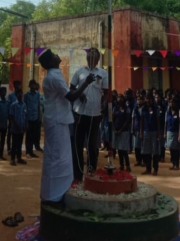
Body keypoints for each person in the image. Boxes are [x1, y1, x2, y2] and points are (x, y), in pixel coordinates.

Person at [38, 48, 96, 206]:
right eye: (55, 55)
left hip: (58, 120)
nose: (58, 55)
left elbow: (66, 94)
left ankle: (60, 191)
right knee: (57, 158)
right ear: (51, 62)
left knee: (61, 157)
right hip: (57, 121)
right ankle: (54, 195)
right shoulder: (54, 77)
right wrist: (86, 83)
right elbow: (70, 97)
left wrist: (79, 91)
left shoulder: (54, 75)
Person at [70, 48, 109, 180]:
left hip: (95, 114)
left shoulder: (103, 73)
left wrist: (104, 104)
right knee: (78, 145)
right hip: (80, 113)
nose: (91, 57)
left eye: (94, 55)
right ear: (87, 58)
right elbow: (71, 88)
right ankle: (78, 174)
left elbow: (106, 92)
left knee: (93, 145)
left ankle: (91, 172)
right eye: (89, 55)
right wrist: (80, 94)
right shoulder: (79, 72)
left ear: (98, 59)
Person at [138, 93, 163, 176]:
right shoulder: (143, 109)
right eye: (146, 99)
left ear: (152, 100)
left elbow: (158, 121)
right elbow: (141, 121)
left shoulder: (156, 109)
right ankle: (148, 169)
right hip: (145, 132)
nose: (148, 100)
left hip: (154, 132)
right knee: (146, 152)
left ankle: (155, 169)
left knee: (155, 152)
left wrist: (159, 133)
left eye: (149, 99)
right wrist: (141, 132)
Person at [113, 94, 132, 171]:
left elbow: (127, 120)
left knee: (124, 150)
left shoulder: (127, 109)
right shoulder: (115, 108)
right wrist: (114, 129)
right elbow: (113, 119)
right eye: (118, 97)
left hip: (124, 131)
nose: (119, 99)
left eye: (121, 97)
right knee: (119, 150)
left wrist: (121, 130)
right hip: (116, 131)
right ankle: (121, 165)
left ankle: (128, 165)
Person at [9, 90, 28, 166]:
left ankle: (19, 158)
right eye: (19, 94)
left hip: (22, 127)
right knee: (14, 144)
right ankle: (12, 159)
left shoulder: (24, 105)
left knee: (20, 143)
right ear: (16, 95)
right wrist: (16, 125)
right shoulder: (13, 105)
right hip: (15, 128)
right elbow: (11, 116)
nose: (20, 95)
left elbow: (25, 115)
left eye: (21, 93)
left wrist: (26, 124)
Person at [24, 80, 42, 158]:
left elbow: (38, 105)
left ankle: (31, 151)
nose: (33, 86)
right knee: (28, 135)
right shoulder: (26, 95)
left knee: (34, 135)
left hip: (35, 117)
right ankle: (28, 151)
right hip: (29, 117)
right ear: (30, 85)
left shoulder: (37, 94)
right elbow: (24, 107)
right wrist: (25, 118)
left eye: (34, 85)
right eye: (32, 85)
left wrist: (39, 116)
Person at [7, 81, 23, 154]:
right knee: (10, 133)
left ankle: (17, 149)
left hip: (19, 118)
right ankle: (9, 148)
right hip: (13, 116)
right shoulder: (11, 95)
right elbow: (9, 106)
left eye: (18, 85)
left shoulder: (21, 95)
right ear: (14, 85)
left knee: (19, 134)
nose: (17, 86)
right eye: (16, 85)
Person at [166, 99, 180, 171]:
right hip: (169, 132)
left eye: (173, 102)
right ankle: (173, 163)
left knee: (176, 150)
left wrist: (179, 133)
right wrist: (164, 132)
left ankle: (177, 164)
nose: (171, 104)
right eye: (170, 102)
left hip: (176, 132)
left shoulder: (178, 112)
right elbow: (165, 123)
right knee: (171, 149)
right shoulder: (168, 112)